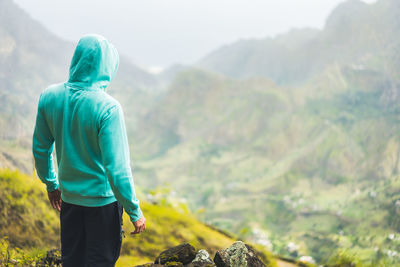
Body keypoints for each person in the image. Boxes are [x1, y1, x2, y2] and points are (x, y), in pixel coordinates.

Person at [32, 34, 146, 267]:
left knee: (72, 261)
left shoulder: (49, 97)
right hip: (103, 205)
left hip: (69, 201)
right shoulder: (108, 108)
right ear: (107, 67)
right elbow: (118, 169)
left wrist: (51, 184)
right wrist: (134, 211)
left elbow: (41, 149)